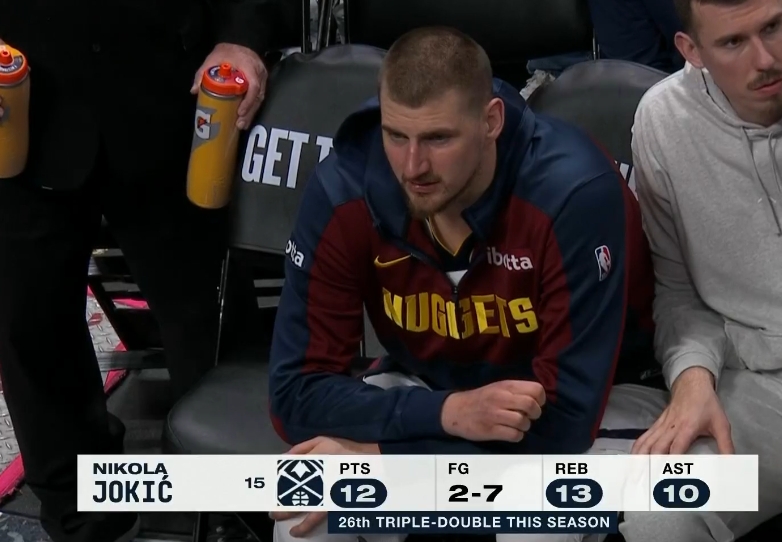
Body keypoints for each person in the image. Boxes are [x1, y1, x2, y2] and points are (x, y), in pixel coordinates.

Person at [268, 25, 665, 542]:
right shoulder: (344, 187)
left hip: (593, 405)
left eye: (438, 139)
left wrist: (390, 458)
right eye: (396, 136)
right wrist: (448, 414)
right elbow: (295, 394)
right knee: (305, 509)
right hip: (435, 392)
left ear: (491, 121)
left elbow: (564, 421)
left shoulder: (573, 191)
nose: (413, 166)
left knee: (535, 518)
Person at [0, 1, 285, 541]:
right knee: (30, 327)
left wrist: (243, 37)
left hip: (173, 101)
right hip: (22, 103)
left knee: (211, 325)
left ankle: (244, 507)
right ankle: (81, 517)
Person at [619, 0, 782, 540]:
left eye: (772, 27)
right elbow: (677, 289)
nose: (765, 60)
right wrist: (692, 378)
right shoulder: (663, 120)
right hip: (755, 386)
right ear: (691, 50)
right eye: (733, 42)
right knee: (656, 515)